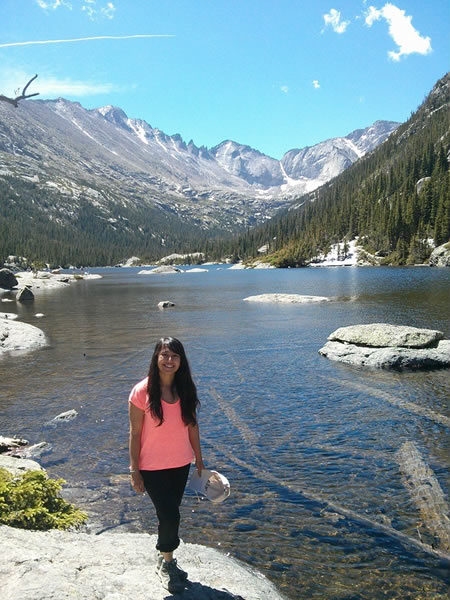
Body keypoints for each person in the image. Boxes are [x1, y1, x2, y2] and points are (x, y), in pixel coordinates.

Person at [128, 336, 204, 594]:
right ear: (156, 358)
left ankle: (165, 554)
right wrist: (134, 470)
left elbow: (193, 427)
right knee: (170, 514)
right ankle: (167, 561)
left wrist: (199, 461)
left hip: (181, 463)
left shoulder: (185, 389)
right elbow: (135, 433)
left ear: (181, 361)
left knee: (169, 513)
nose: (169, 360)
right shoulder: (142, 391)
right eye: (165, 355)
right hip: (151, 467)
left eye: (174, 356)